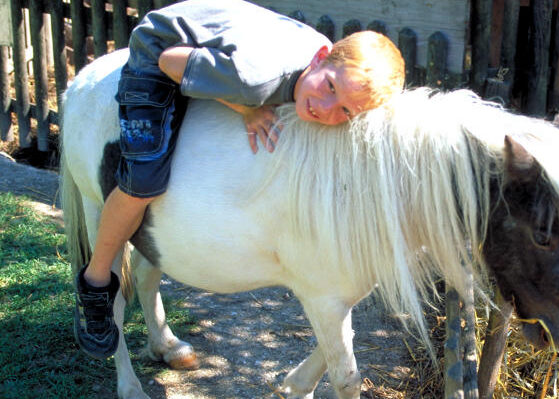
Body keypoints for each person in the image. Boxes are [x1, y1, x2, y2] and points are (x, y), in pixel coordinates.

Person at [73, 0, 406, 359]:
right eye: (329, 87)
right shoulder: (255, 80)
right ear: (322, 57)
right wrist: (246, 108)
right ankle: (95, 282)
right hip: (156, 55)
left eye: (345, 111)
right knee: (142, 180)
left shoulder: (328, 65)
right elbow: (170, 61)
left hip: (206, 47)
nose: (326, 108)